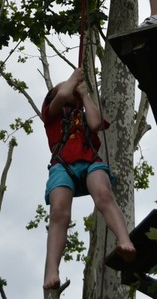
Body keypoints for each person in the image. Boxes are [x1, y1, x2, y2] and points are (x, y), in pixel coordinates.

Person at [41, 67, 135, 291]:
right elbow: (63, 94)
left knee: (103, 194)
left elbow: (95, 124)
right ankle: (51, 270)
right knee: (59, 211)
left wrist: (84, 95)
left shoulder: (83, 114)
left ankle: (124, 240)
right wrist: (74, 78)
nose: (70, 91)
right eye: (66, 89)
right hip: (63, 165)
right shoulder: (51, 113)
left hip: (90, 162)